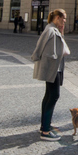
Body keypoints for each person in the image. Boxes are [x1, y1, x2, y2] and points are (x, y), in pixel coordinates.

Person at [32, 9, 70, 141]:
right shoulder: (50, 30)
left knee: (49, 95)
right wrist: (38, 58)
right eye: (64, 18)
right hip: (53, 68)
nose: (65, 21)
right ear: (58, 17)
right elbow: (40, 47)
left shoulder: (54, 29)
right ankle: (45, 131)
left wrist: (62, 32)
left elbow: (62, 47)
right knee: (53, 95)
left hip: (55, 67)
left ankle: (45, 125)